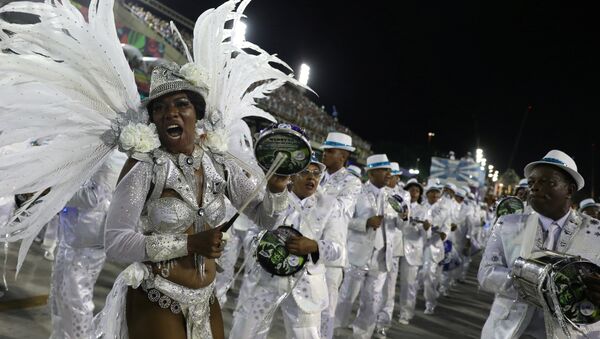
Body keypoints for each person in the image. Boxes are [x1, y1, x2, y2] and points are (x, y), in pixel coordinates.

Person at [479, 150, 600, 338]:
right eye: (532, 183)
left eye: (547, 182)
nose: (534, 188)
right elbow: (486, 274)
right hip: (509, 331)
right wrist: (538, 281)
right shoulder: (507, 224)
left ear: (569, 190)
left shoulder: (595, 231)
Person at [229, 156, 345, 339]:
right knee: (245, 333)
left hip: (306, 285)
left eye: (316, 173)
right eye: (305, 172)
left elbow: (338, 249)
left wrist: (314, 246)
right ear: (292, 176)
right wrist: (266, 245)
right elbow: (251, 235)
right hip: (265, 278)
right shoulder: (274, 196)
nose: (311, 177)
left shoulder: (330, 206)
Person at [48, 150, 125, 339]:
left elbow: (93, 197)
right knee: (59, 298)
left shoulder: (111, 154)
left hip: (86, 240)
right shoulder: (95, 147)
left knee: (75, 302)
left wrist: (54, 193)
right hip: (73, 235)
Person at [335, 154, 400, 339]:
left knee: (372, 302)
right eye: (384, 170)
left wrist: (404, 217)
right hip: (357, 254)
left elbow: (400, 226)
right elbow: (344, 220)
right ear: (371, 173)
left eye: (389, 170)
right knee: (346, 298)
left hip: (381, 257)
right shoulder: (357, 192)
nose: (389, 174)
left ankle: (362, 335)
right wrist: (365, 222)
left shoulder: (393, 197)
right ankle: (334, 332)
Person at [318, 132, 362, 339]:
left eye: (330, 151)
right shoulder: (316, 175)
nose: (324, 154)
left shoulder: (352, 182)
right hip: (306, 246)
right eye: (324, 150)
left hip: (331, 254)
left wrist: (312, 193)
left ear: (343, 156)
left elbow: (341, 209)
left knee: (326, 310)